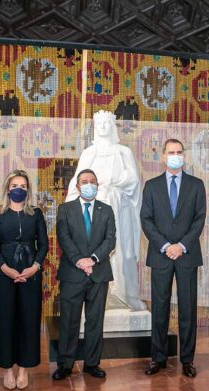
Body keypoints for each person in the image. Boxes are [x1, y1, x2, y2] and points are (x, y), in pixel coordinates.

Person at [66, 110, 145, 310]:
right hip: (95, 210)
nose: (103, 127)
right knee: (96, 249)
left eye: (106, 123)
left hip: (121, 207)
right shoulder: (88, 153)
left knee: (123, 250)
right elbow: (77, 182)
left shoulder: (123, 152)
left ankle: (127, 294)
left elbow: (134, 181)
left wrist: (115, 182)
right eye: (99, 123)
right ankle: (98, 297)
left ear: (113, 126)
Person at [141, 139, 206, 378]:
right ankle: (158, 358)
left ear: (184, 156)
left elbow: (199, 219)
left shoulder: (197, 185)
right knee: (160, 308)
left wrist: (181, 246)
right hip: (161, 256)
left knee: (188, 309)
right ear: (163, 157)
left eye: (179, 152)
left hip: (187, 255)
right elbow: (146, 220)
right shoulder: (151, 186)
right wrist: (167, 246)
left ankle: (187, 359)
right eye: (171, 152)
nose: (175, 156)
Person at [0, 170, 48, 390]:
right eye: (14, 186)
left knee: (29, 320)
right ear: (7, 188)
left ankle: (23, 369)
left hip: (31, 273)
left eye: (22, 185)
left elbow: (43, 245)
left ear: (28, 189)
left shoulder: (36, 214)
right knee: (5, 320)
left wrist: (35, 267)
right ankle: (8, 371)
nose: (18, 189)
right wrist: (5, 268)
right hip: (3, 274)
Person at [53, 169, 116, 380]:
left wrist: (93, 260)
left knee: (95, 321)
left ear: (97, 185)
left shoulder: (106, 210)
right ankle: (65, 364)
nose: (89, 184)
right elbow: (64, 238)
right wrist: (81, 261)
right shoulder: (65, 209)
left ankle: (92, 363)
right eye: (84, 181)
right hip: (73, 273)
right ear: (78, 186)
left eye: (93, 181)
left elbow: (110, 240)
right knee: (69, 321)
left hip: (99, 273)